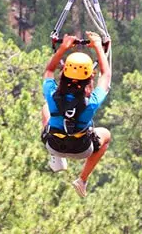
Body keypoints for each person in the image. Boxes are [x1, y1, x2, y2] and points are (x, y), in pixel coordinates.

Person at [41, 31, 112, 197]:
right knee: (106, 135)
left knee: (46, 108)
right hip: (82, 149)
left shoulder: (52, 94)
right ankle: (82, 179)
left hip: (54, 144)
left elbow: (49, 70)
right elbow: (106, 75)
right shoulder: (91, 101)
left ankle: (56, 158)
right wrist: (98, 48)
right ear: (89, 78)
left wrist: (63, 47)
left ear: (64, 72)